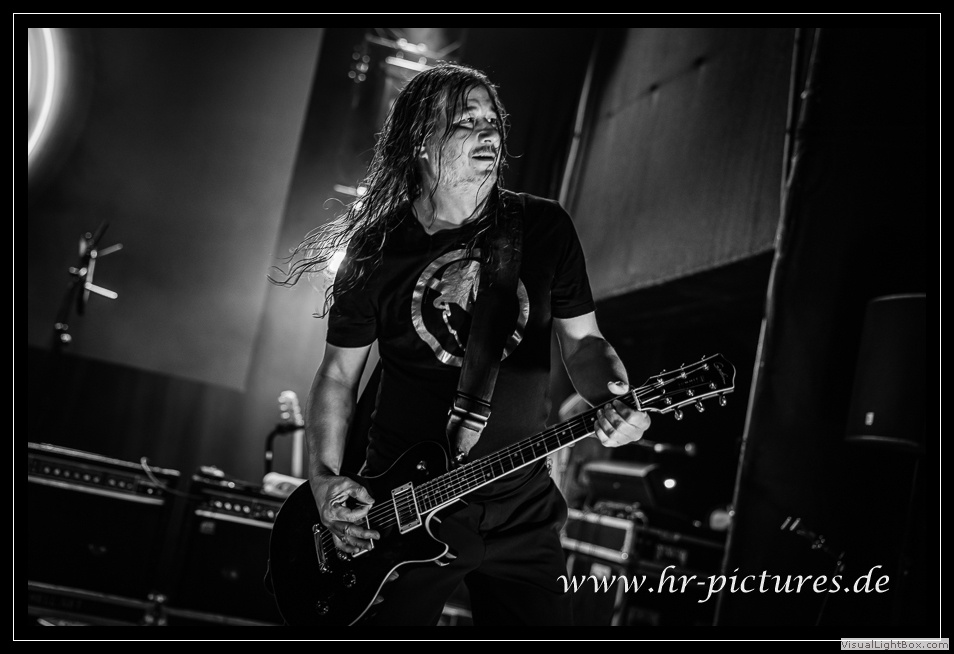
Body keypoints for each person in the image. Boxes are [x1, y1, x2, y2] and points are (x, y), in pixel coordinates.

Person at [276, 62, 651, 626]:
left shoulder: (543, 227)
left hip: (520, 500)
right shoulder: (376, 248)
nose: (488, 132)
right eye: (465, 122)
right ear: (420, 142)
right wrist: (325, 478)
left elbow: (584, 344)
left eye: (491, 120)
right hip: (407, 501)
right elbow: (337, 374)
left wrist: (616, 398)